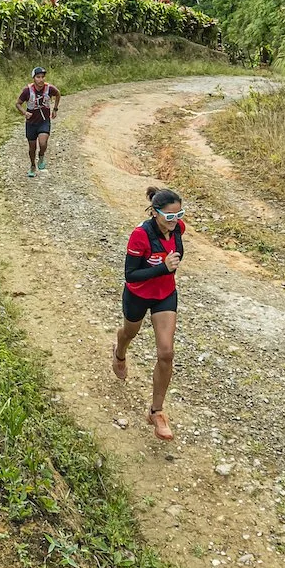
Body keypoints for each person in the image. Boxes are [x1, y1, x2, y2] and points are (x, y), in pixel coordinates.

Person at [115, 185, 185, 440]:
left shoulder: (178, 230)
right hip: (138, 294)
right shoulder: (140, 236)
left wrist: (166, 273)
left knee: (166, 352)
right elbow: (130, 275)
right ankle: (120, 351)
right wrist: (162, 268)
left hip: (165, 295)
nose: (175, 220)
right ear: (155, 213)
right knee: (129, 332)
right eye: (169, 216)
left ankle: (156, 411)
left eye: (179, 214)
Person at [16, 67, 61, 177]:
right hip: (31, 123)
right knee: (32, 148)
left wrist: (55, 109)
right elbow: (18, 104)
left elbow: (58, 94)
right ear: (33, 78)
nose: (41, 79)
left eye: (42, 77)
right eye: (38, 77)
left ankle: (41, 156)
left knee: (42, 143)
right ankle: (32, 165)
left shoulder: (49, 88)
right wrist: (24, 113)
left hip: (44, 121)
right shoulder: (27, 90)